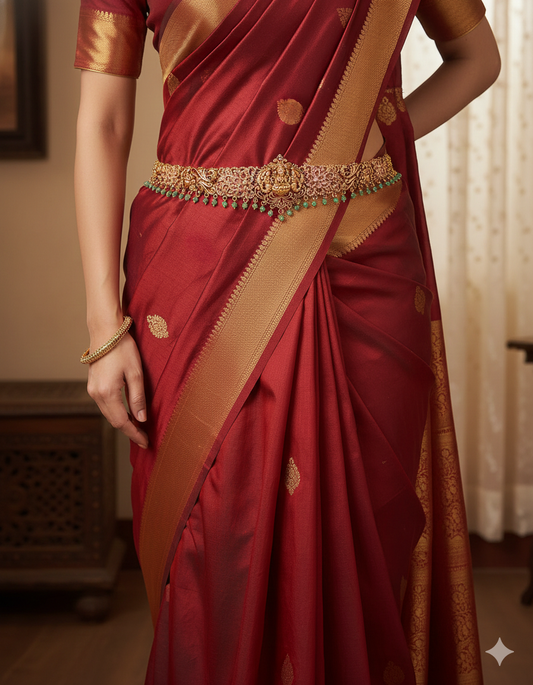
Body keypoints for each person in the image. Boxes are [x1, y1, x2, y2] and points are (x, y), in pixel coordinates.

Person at [74, 1, 500, 683]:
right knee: (211, 555)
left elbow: (477, 59)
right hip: (194, 282)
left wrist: (366, 141)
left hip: (360, 266)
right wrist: (103, 327)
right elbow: (103, 121)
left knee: (356, 547)